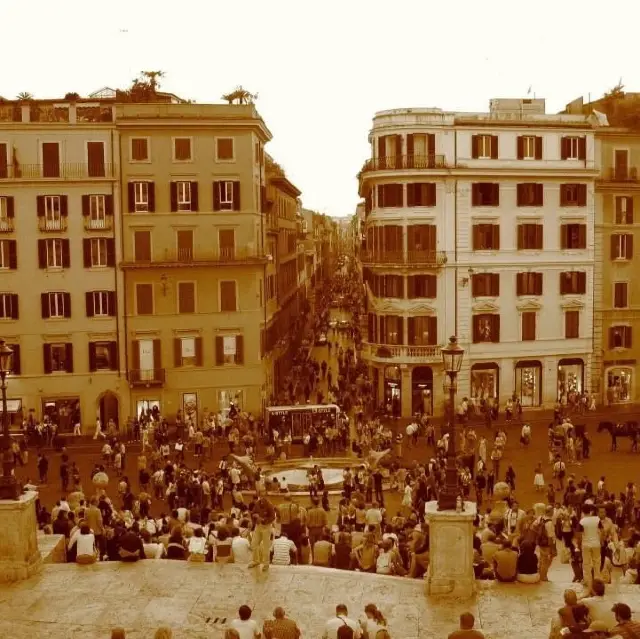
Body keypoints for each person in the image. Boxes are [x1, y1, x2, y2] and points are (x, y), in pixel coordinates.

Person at [249, 496, 276, 572]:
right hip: (258, 526)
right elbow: (253, 512)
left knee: (265, 547)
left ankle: (266, 564)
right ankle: (256, 561)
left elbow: (273, 517)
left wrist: (263, 520)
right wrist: (254, 517)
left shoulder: (270, 506)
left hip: (266, 527)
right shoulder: (257, 503)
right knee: (253, 544)